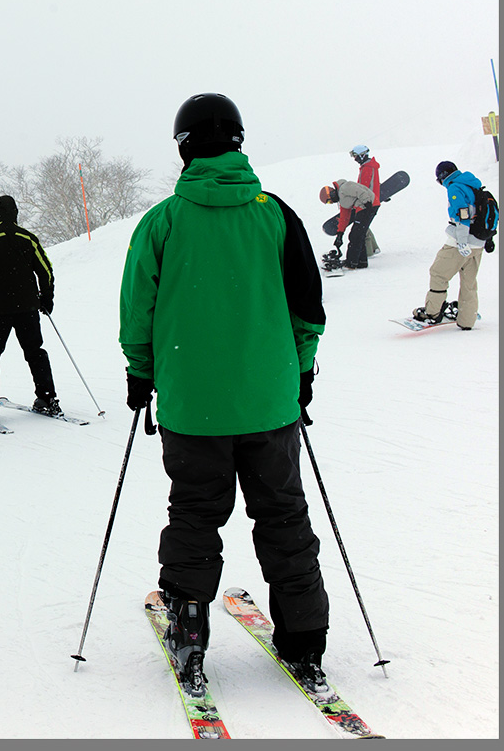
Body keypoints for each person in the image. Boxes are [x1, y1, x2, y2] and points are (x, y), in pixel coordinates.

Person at [119, 92, 329, 695]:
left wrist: (142, 373)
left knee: (193, 516)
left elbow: (139, 312)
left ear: (184, 147)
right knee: (284, 516)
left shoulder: (163, 221)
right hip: (269, 404)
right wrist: (301, 373)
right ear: (237, 141)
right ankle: (305, 642)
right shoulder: (276, 214)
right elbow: (306, 311)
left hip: (192, 407)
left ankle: (189, 644)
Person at [0, 194, 60, 424]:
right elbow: (45, 270)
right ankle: (47, 398)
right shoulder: (29, 238)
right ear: (15, 214)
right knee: (35, 352)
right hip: (28, 307)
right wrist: (47, 298)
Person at [411, 161, 490, 330]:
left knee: (438, 273)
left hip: (461, 242)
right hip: (478, 242)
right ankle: (467, 319)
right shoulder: (473, 184)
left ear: (442, 176)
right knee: (469, 282)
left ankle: (432, 313)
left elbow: (463, 214)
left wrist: (461, 241)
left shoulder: (455, 187)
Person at [318, 177, 376, 269]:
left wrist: (367, 203)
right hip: (363, 208)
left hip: (368, 206)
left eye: (330, 201)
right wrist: (339, 234)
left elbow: (361, 191)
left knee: (355, 235)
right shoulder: (342, 200)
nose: (332, 202)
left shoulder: (345, 187)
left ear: (332, 194)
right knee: (358, 234)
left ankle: (351, 262)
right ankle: (361, 261)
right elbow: (344, 217)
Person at [350, 144, 381, 257]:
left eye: (356, 156)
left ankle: (368, 252)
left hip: (367, 202)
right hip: (373, 200)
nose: (355, 159)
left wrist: (356, 202)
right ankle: (374, 248)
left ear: (362, 155)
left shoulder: (367, 168)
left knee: (360, 228)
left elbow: (363, 187)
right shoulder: (372, 166)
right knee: (364, 225)